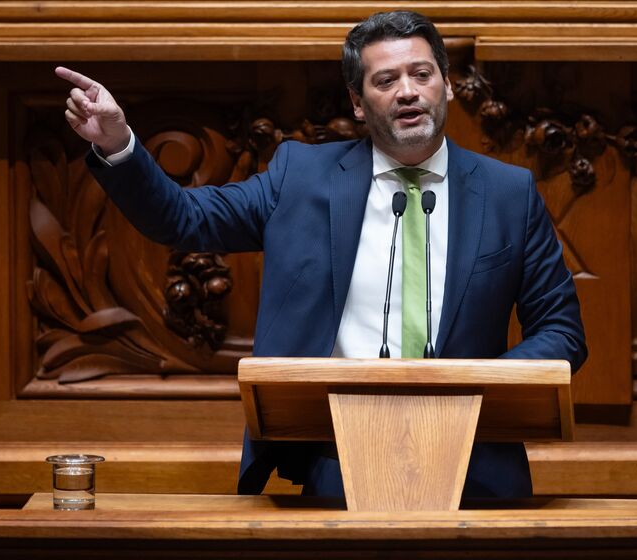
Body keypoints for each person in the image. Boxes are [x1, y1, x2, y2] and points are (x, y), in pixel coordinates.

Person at [56, 10, 587, 499]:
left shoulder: (508, 193)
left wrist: (468, 392)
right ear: (357, 102)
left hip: (478, 460)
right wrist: (119, 145)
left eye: (422, 74)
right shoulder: (301, 178)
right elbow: (183, 218)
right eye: (385, 81)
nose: (407, 91)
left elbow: (561, 332)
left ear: (447, 84)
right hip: (339, 458)